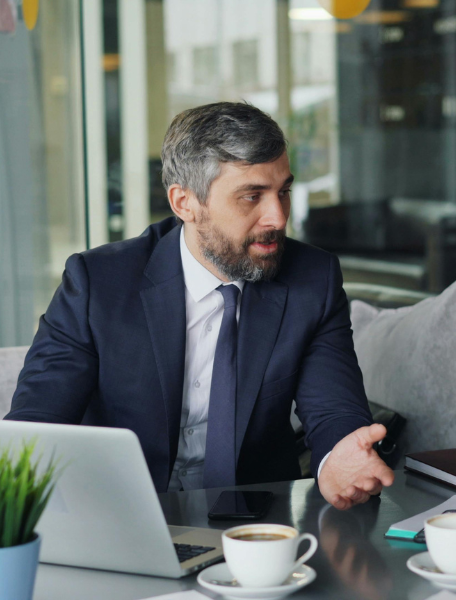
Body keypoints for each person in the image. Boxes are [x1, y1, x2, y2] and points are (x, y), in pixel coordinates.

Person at [5, 102, 393, 510]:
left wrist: (338, 461)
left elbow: (334, 410)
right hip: (121, 515)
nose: (278, 217)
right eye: (251, 196)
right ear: (184, 203)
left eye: (283, 192)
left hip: (255, 527)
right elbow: (36, 427)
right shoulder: (97, 284)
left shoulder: (313, 280)